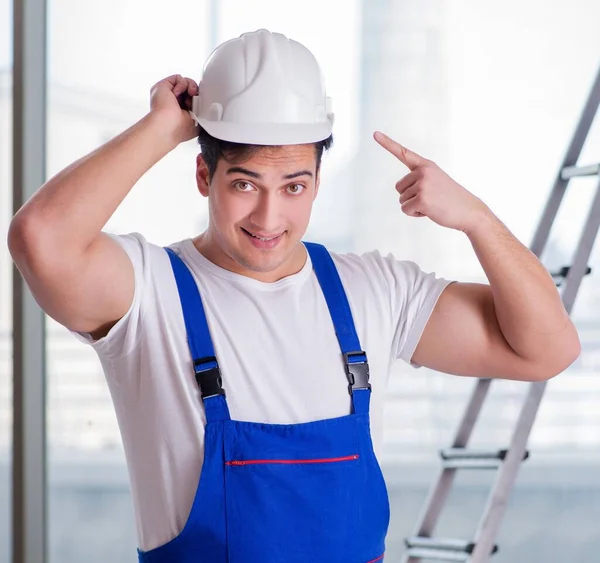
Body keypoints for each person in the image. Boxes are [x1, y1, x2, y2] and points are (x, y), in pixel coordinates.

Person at [8, 29, 580, 563]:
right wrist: (162, 128)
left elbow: (545, 350)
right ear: (204, 175)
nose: (269, 216)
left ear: (317, 180)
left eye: (293, 186)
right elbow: (40, 239)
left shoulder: (372, 291)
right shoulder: (147, 293)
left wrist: (476, 220)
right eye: (244, 184)